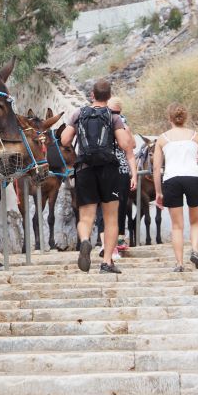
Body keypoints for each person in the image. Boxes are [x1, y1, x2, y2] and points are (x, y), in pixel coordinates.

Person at [61, 79, 137, 274]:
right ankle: (107, 262)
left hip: (85, 169)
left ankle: (85, 241)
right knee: (111, 218)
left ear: (92, 95)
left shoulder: (78, 114)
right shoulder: (113, 117)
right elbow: (124, 144)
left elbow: (65, 139)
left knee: (86, 217)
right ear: (109, 96)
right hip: (108, 170)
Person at [153, 102, 198, 272]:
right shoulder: (196, 136)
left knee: (177, 226)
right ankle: (194, 250)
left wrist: (158, 191)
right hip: (193, 178)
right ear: (185, 117)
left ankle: (179, 264)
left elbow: (157, 168)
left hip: (172, 180)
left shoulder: (163, 139)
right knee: (195, 222)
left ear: (169, 118)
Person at [108, 96, 133, 251]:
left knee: (121, 204)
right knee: (114, 204)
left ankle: (119, 238)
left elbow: (131, 146)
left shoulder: (122, 122)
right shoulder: (105, 121)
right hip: (111, 168)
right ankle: (112, 239)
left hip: (119, 167)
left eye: (117, 112)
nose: (115, 114)